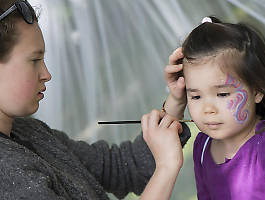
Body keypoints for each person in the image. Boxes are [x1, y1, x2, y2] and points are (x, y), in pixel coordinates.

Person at [0, 0, 191, 199]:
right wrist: (166, 167)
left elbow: (122, 168)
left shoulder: (31, 132)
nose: (47, 74)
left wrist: (176, 100)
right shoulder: (6, 175)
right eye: (34, 60)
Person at [165, 16, 265, 199]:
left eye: (222, 94)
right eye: (196, 96)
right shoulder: (202, 146)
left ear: (257, 90)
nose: (208, 109)